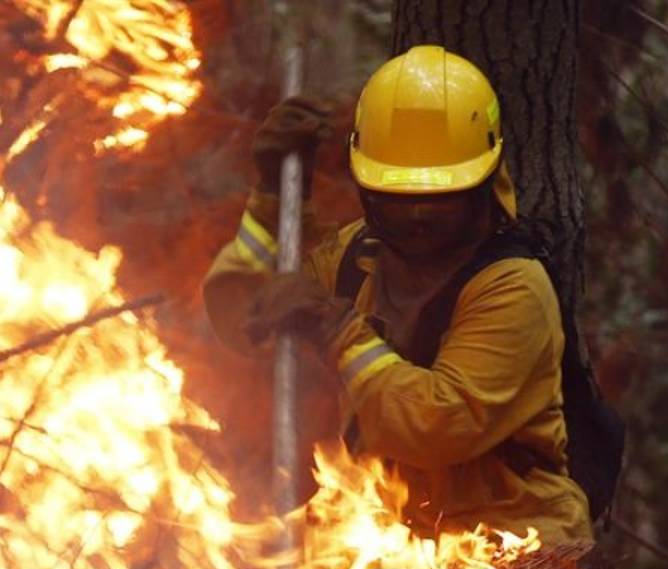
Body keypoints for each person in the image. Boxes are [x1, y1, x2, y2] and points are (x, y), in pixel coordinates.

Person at [202, 44, 591, 543]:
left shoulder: (512, 286)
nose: (418, 216)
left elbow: (436, 424)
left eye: (440, 197)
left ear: (484, 183)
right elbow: (243, 318)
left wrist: (336, 330)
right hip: (388, 547)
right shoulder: (352, 259)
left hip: (509, 546)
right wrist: (272, 196)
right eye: (399, 196)